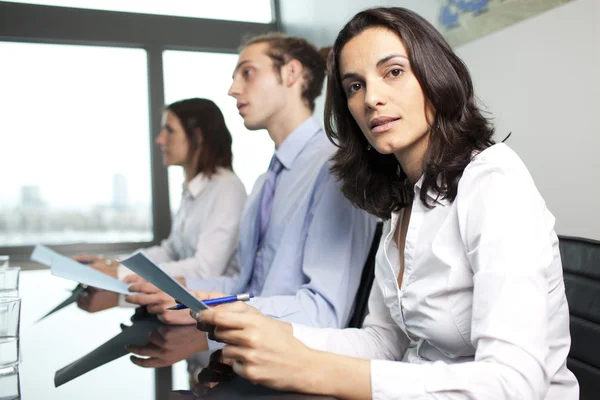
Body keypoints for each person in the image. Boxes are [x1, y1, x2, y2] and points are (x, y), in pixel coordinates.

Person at [191, 7, 579, 399]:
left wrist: (311, 369)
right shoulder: (401, 203)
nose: (372, 98)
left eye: (393, 71)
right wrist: (272, 333)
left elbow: (514, 384)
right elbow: (382, 343)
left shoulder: (494, 179)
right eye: (354, 86)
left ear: (434, 75)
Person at [124, 33, 377, 375]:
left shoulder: (335, 169)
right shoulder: (264, 183)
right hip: (250, 358)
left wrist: (213, 309)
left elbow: (323, 313)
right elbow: (248, 287)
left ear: (291, 74)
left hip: (294, 367)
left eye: (247, 73)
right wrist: (187, 293)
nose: (232, 89)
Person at [75, 98, 246, 281]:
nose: (160, 139)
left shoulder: (227, 189)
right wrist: (112, 264)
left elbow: (204, 269)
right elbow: (170, 252)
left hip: (212, 303)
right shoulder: (193, 189)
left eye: (170, 131)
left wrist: (120, 274)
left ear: (198, 136)